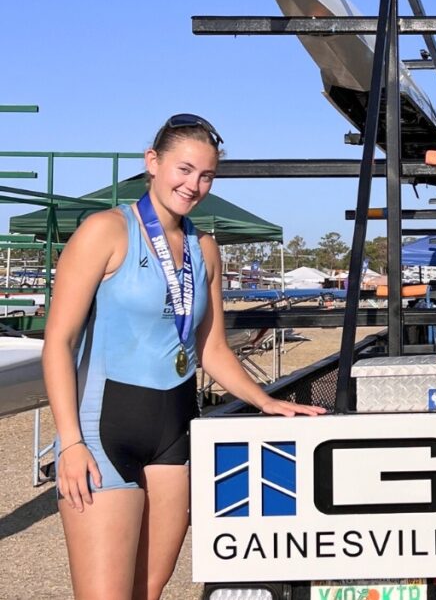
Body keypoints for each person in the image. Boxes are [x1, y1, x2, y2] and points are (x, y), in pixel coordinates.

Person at [42, 114, 326, 600]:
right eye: (184, 169)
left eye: (206, 175)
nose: (193, 185)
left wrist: (266, 402)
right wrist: (69, 443)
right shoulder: (105, 231)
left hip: (173, 431)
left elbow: (210, 347)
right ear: (152, 163)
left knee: (148, 592)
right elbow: (59, 343)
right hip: (102, 432)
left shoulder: (205, 248)